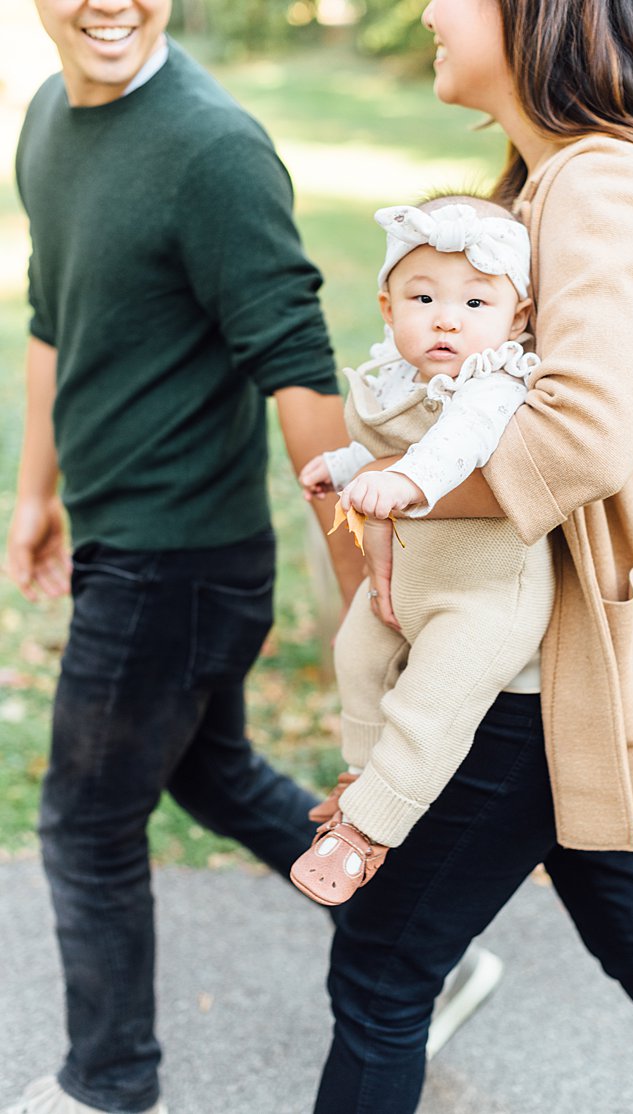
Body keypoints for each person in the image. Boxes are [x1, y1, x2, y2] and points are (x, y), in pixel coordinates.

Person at [305, 0, 633, 1108]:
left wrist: (386, 498)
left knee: (383, 963)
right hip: (558, 655)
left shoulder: (596, 185)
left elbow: (578, 434)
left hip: (534, 671)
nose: (424, 13)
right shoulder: (556, 187)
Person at [3, 5, 372, 1113]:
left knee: (84, 822)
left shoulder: (212, 147)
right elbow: (53, 320)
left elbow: (301, 378)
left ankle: (111, 1082)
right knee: (210, 772)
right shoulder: (47, 119)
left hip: (180, 561)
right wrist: (36, 490)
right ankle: (419, 942)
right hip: (129, 539)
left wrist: (370, 590)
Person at [289, 196, 552, 905]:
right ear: (387, 305)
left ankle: (368, 832)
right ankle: (361, 775)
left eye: (474, 300)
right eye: (424, 296)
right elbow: (387, 444)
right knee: (357, 654)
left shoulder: (494, 383)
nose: (446, 317)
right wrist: (348, 465)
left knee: (432, 703)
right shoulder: (395, 382)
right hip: (409, 581)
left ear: (516, 318)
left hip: (488, 595)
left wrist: (402, 480)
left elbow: (451, 448)